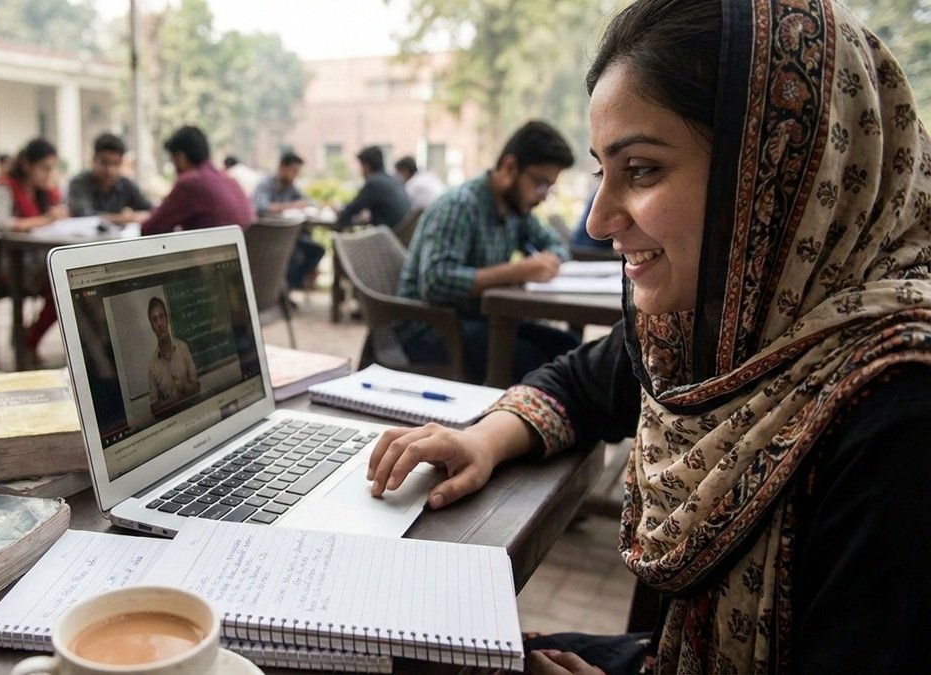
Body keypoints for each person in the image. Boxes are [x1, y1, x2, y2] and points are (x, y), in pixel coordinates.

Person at [370, 0, 931, 672]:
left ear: (780, 171)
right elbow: (581, 380)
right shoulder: (707, 329)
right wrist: (483, 439)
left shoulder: (901, 414)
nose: (598, 220)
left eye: (640, 170)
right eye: (601, 173)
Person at [396, 120, 578, 382]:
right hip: (431, 328)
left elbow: (557, 245)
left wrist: (549, 260)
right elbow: (437, 282)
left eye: (549, 187)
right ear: (509, 167)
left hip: (479, 318)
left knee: (569, 349)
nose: (543, 195)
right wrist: (519, 271)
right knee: (539, 364)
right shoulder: (459, 206)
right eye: (540, 183)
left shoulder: (517, 211)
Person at [0, 137, 69, 355]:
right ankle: (29, 341)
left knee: (69, 277)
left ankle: (30, 338)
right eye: (44, 168)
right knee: (62, 281)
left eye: (52, 169)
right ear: (26, 164)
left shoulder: (41, 192)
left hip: (33, 260)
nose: (48, 174)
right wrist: (44, 220)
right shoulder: (4, 187)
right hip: (3, 265)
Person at [140, 126, 254, 236]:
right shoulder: (229, 179)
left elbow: (151, 229)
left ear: (180, 158)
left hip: (212, 249)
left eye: (173, 161)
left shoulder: (190, 183)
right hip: (242, 248)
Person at [254, 151, 324, 293]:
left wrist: (314, 205)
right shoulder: (265, 184)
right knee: (292, 255)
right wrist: (292, 206)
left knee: (316, 250)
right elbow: (261, 207)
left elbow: (306, 201)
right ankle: (281, 292)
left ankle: (290, 288)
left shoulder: (290, 187)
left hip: (291, 235)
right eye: (293, 171)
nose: (294, 176)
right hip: (269, 237)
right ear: (282, 167)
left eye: (297, 172)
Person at [67, 133, 152, 225]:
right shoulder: (80, 183)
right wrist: (124, 219)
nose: (110, 170)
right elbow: (84, 216)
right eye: (104, 163)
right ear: (94, 159)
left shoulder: (126, 185)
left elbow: (151, 209)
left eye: (115, 163)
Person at [146, 296, 199, 416]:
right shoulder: (152, 365)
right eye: (154, 320)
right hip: (173, 420)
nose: (159, 323)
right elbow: (154, 409)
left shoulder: (183, 348)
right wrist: (173, 402)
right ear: (152, 326)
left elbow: (197, 388)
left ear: (167, 319)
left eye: (161, 316)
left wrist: (184, 387)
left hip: (194, 414)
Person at [336, 146, 410, 227]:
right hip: (403, 231)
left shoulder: (374, 182)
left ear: (367, 166)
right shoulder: (392, 180)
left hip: (389, 232)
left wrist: (340, 217)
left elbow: (352, 209)